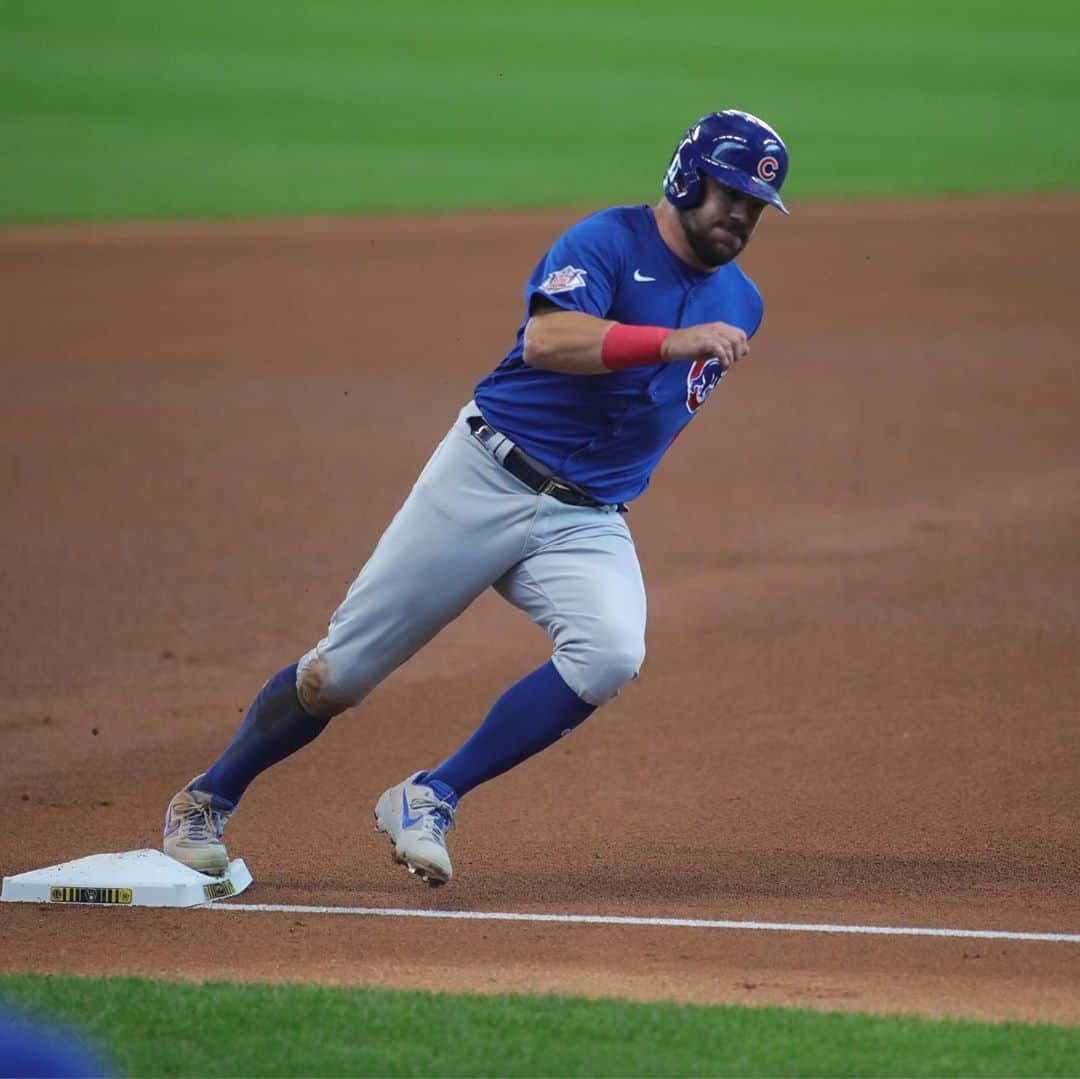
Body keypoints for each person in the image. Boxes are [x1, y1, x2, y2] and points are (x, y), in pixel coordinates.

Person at [163, 109, 790, 887]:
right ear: (686, 177)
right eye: (729, 194)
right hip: (484, 476)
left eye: (756, 206)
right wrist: (666, 341)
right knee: (340, 676)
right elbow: (547, 342)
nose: (741, 214)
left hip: (586, 517)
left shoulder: (744, 300)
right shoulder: (606, 242)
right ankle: (206, 798)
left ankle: (430, 794)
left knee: (611, 653)